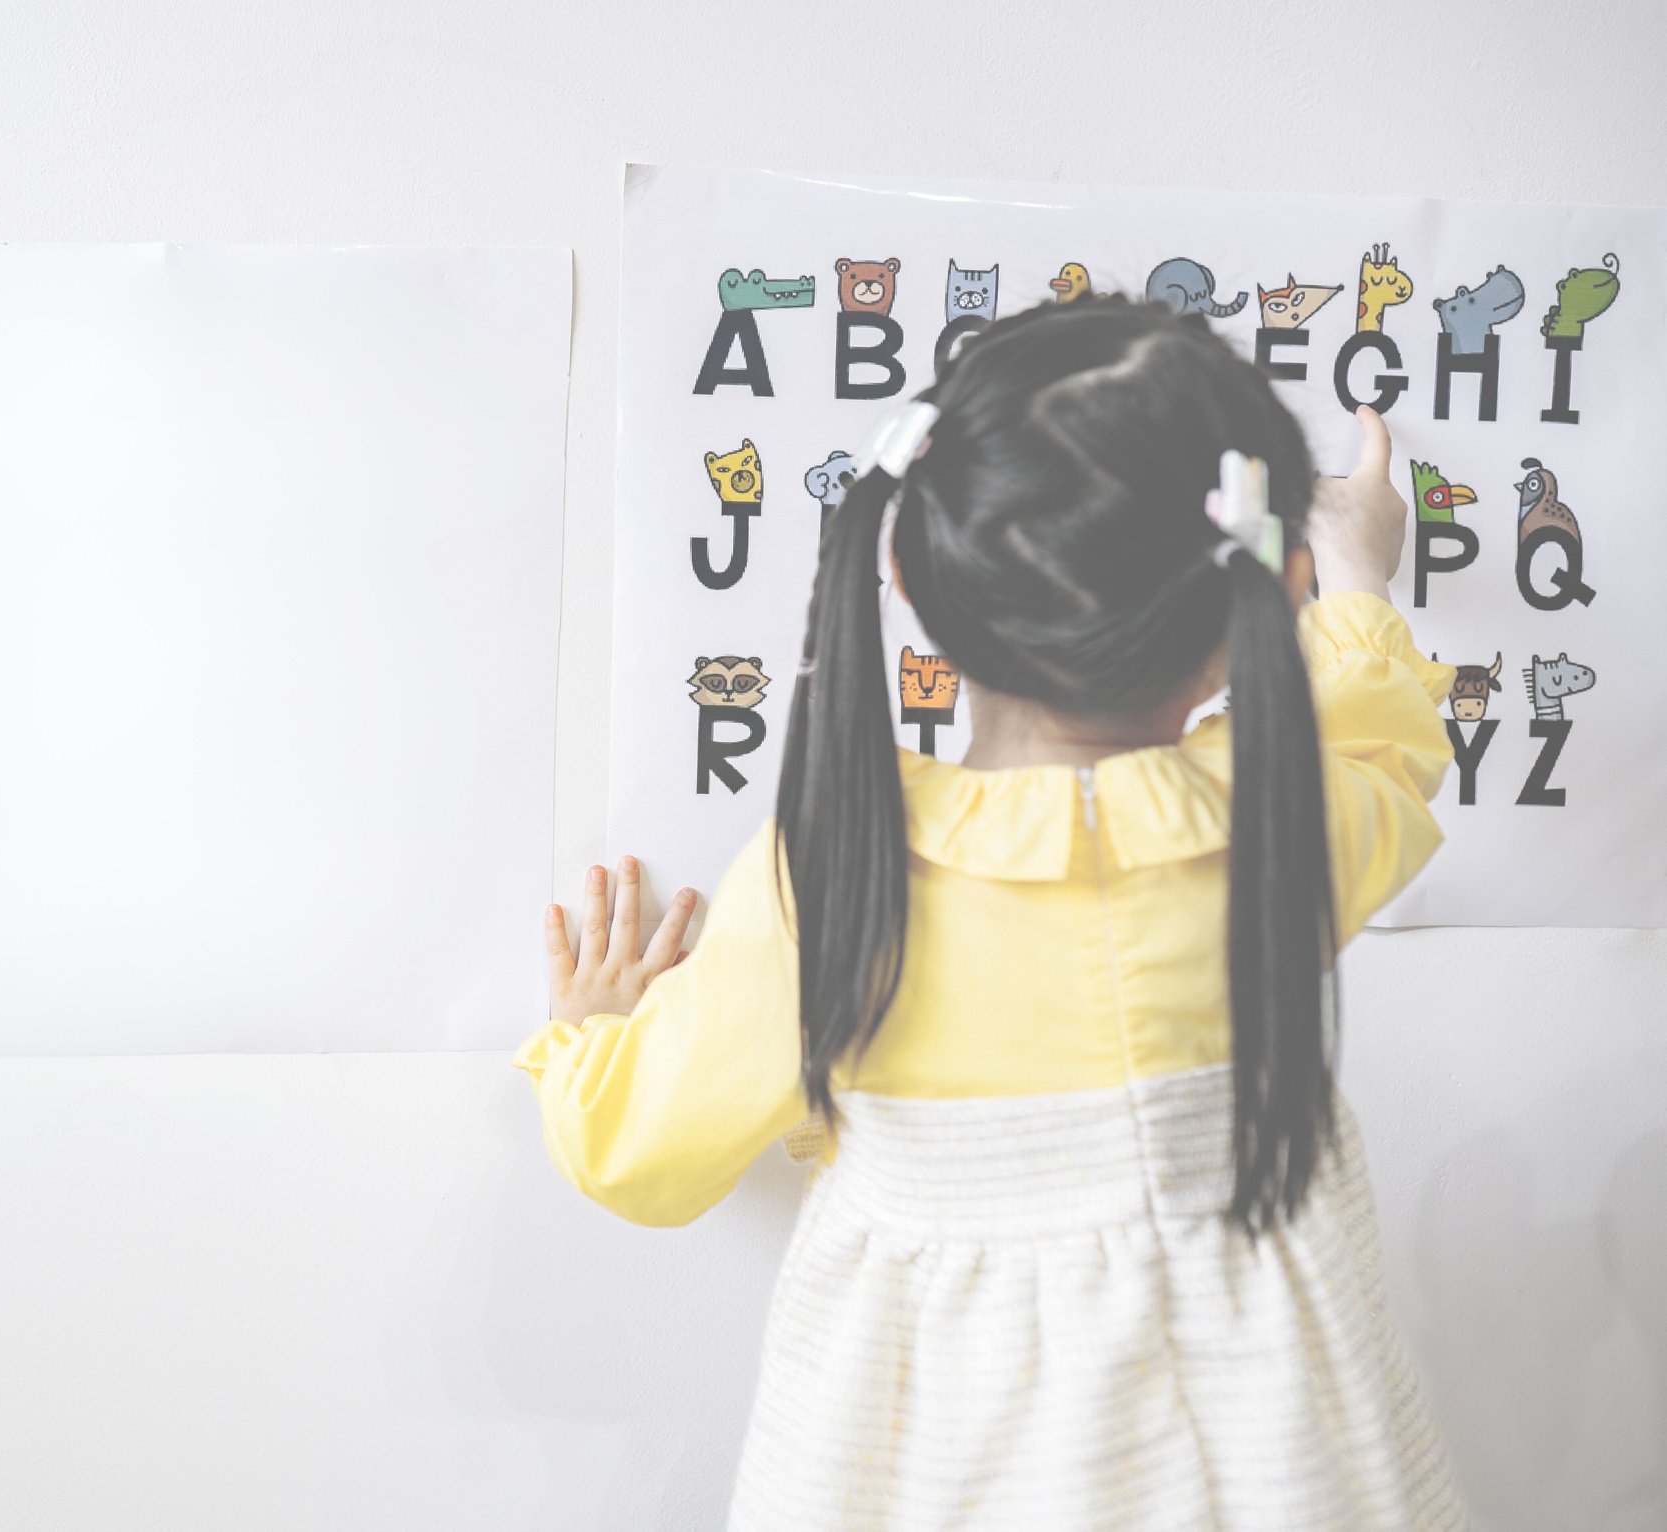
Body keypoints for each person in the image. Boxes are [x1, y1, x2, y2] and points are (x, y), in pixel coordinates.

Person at [514, 299, 1468, 1528]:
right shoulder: (1283, 820)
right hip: (1270, 1456)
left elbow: (635, 1150)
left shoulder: (840, 870)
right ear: (1256, 603)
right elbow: (1384, 744)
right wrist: (1356, 574)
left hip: (938, 1465)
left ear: (906, 573)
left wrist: (590, 1040)